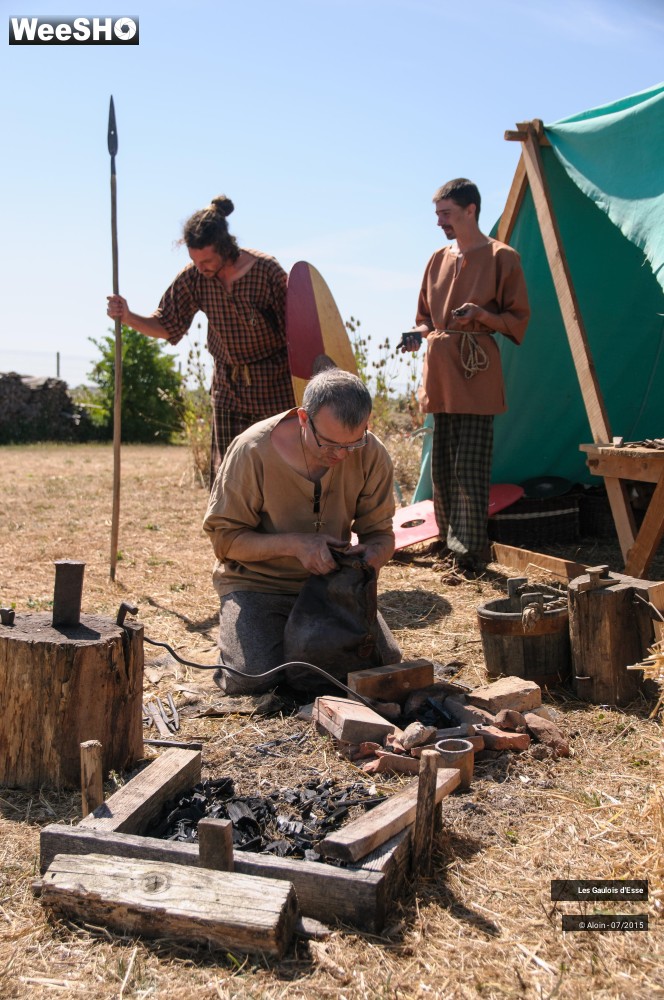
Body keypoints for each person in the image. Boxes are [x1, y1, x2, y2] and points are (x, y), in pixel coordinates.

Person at [202, 367, 401, 694]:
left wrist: (370, 559)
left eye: (353, 444)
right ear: (304, 419)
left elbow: (380, 535)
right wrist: (295, 545)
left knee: (383, 663)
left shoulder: (372, 453)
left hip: (331, 586)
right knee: (255, 680)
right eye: (330, 444)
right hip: (257, 583)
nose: (340, 455)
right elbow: (225, 541)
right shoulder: (252, 450)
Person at [106, 195, 295, 483]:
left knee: (280, 471)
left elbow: (296, 331)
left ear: (224, 246)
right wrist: (127, 315)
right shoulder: (195, 278)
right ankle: (230, 529)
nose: (201, 266)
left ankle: (285, 528)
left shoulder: (266, 271)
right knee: (229, 474)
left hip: (274, 384)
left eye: (206, 260)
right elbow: (167, 324)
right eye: (195, 260)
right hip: (227, 388)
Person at [400, 178, 530, 571]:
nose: (440, 222)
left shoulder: (502, 257)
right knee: (442, 466)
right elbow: (425, 318)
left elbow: (517, 318)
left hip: (475, 373)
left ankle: (470, 553)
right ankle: (446, 540)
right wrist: (416, 335)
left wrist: (480, 314)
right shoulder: (438, 258)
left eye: (447, 213)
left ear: (471, 210)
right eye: (438, 214)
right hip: (440, 373)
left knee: (468, 466)